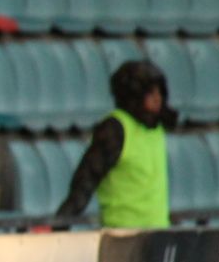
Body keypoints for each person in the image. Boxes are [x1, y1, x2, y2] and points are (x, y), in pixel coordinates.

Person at [57, 59, 178, 229]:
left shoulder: (154, 128)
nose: (157, 98)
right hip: (123, 235)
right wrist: (61, 222)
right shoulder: (115, 129)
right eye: (150, 92)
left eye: (159, 91)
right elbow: (86, 179)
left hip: (157, 232)